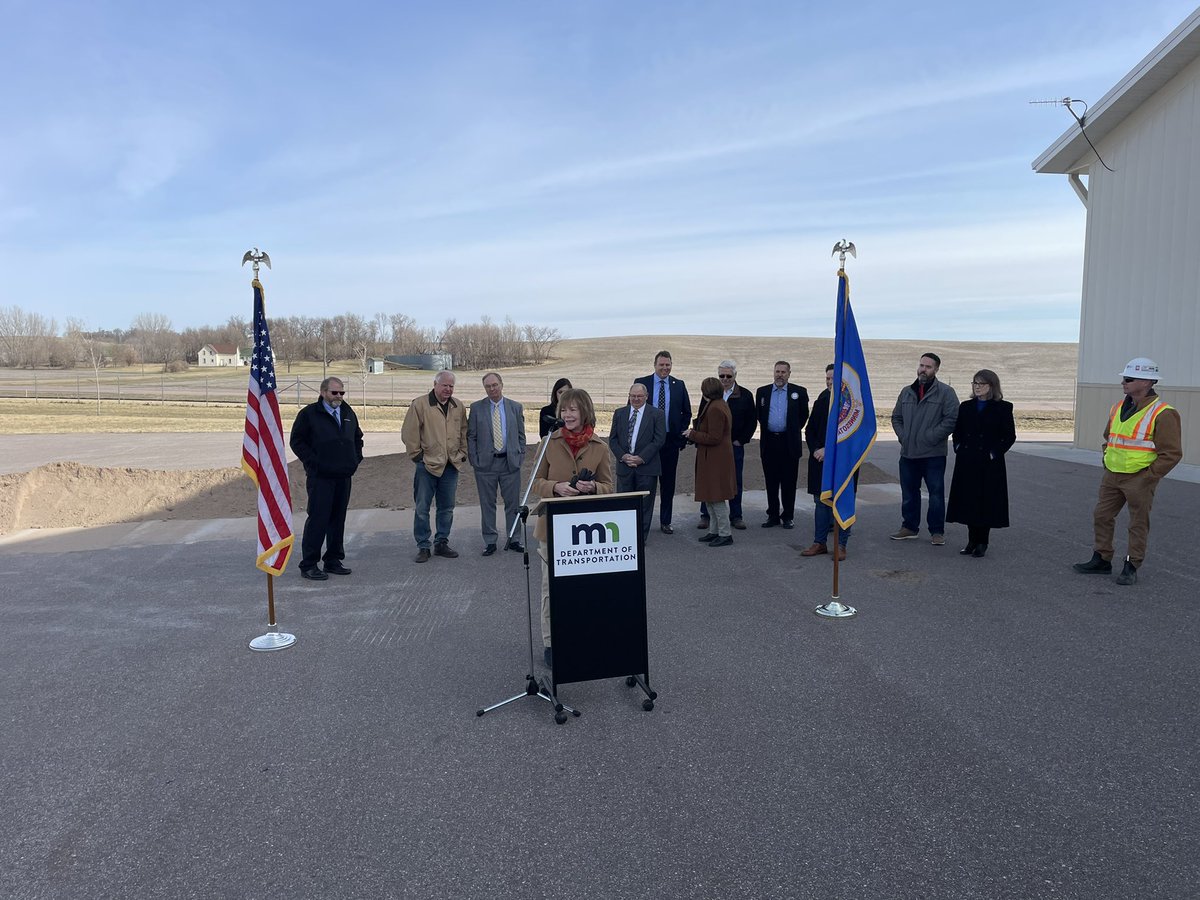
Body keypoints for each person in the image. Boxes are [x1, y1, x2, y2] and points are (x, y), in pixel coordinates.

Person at [1073, 357, 1182, 586]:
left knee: (1137, 523)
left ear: (1147, 382)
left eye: (1129, 378)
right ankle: (1102, 559)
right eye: (1124, 378)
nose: (1123, 382)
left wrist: (1148, 477)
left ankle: (1132, 565)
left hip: (1140, 477)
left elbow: (1171, 453)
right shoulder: (1118, 407)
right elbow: (1109, 437)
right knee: (1102, 516)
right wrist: (1106, 457)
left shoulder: (1163, 413)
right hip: (1112, 474)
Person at [531, 388, 614, 666]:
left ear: (585, 412)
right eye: (564, 410)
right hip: (551, 529)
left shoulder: (600, 448)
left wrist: (594, 488)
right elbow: (535, 483)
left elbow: (609, 487)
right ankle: (551, 643)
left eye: (573, 410)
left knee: (582, 589)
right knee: (550, 590)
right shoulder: (548, 443)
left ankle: (582, 636)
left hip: (586, 534)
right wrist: (555, 487)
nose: (567, 414)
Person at [289, 376, 364, 580]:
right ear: (323, 392)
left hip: (343, 475)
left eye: (341, 393)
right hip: (320, 477)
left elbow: (357, 437)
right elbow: (297, 441)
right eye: (334, 392)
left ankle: (333, 560)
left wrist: (355, 459)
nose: (338, 396)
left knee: (337, 520)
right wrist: (313, 463)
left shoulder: (348, 412)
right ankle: (309, 564)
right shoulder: (309, 414)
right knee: (318, 519)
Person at [945, 369, 1016, 558]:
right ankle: (971, 541)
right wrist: (958, 446)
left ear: (991, 386)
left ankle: (982, 542)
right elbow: (957, 431)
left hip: (989, 464)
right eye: (975, 383)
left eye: (981, 384)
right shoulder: (966, 406)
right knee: (968, 501)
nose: (977, 387)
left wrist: (994, 453)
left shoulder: (1003, 407)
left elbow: (1009, 436)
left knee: (986, 502)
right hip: (967, 461)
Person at [890, 352, 959, 545]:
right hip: (908, 453)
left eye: (928, 367)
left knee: (936, 494)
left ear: (936, 369)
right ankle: (909, 527)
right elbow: (896, 418)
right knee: (909, 492)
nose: (923, 369)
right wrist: (904, 436)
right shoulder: (906, 392)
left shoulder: (946, 393)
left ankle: (937, 531)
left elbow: (952, 419)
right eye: (921, 365)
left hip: (933, 454)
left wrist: (930, 437)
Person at [401, 370, 467, 563]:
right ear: (435, 384)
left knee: (446, 508)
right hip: (427, 466)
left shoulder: (458, 406)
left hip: (451, 465)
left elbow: (464, 431)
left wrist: (462, 453)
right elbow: (409, 433)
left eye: (451, 386)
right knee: (422, 507)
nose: (448, 389)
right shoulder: (420, 404)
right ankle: (423, 546)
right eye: (444, 385)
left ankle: (441, 543)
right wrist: (418, 456)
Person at [468, 372, 526, 556]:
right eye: (488, 386)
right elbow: (471, 436)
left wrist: (519, 456)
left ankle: (514, 538)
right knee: (487, 504)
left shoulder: (515, 407)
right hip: (486, 465)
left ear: (501, 384)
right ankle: (490, 541)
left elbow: (521, 435)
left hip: (510, 464)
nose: (492, 389)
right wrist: (475, 459)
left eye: (495, 385)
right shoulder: (477, 408)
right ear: (484, 388)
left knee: (513, 504)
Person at [635, 352, 692, 534]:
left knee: (668, 484)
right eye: (661, 365)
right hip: (647, 443)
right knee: (646, 483)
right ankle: (642, 523)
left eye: (668, 365)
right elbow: (633, 409)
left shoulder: (679, 385)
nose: (665, 368)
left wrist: (679, 437)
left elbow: (687, 413)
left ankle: (665, 521)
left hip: (670, 443)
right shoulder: (642, 383)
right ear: (654, 365)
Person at [802, 364, 854, 561]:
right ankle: (819, 542)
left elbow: (851, 437)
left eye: (834, 379)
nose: (830, 382)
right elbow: (810, 430)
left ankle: (841, 545)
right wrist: (816, 449)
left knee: (842, 501)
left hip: (843, 464)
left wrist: (829, 452)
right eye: (828, 379)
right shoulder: (822, 400)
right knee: (820, 502)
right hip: (820, 461)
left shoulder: (852, 404)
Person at [699, 360, 756, 531]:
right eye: (721, 376)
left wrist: (741, 440)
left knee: (734, 481)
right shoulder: (710, 395)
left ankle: (736, 515)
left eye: (728, 376)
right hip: (711, 446)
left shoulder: (744, 395)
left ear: (735, 376)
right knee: (709, 480)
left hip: (733, 446)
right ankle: (706, 515)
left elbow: (752, 421)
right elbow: (702, 417)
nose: (725, 379)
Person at [608, 382, 666, 541]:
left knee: (644, 506)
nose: (636, 399)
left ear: (646, 397)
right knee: (624, 504)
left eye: (639, 396)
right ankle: (625, 537)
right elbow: (612, 440)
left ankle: (640, 538)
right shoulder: (620, 413)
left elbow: (659, 440)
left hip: (647, 468)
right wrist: (623, 456)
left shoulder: (657, 414)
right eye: (633, 396)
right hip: (624, 468)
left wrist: (641, 458)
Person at [755, 361, 809, 529]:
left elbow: (803, 416)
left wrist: (791, 430)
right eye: (777, 371)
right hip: (769, 442)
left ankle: (788, 516)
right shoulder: (762, 392)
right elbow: (759, 415)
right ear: (773, 373)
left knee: (788, 482)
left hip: (789, 443)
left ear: (789, 373)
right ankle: (772, 515)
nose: (779, 375)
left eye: (783, 372)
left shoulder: (799, 392)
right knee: (771, 482)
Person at [685, 377, 737, 547]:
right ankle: (714, 531)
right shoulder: (719, 404)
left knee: (717, 497)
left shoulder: (715, 408)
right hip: (714, 458)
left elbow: (714, 437)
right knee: (710, 496)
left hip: (715, 459)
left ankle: (725, 533)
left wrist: (692, 434)